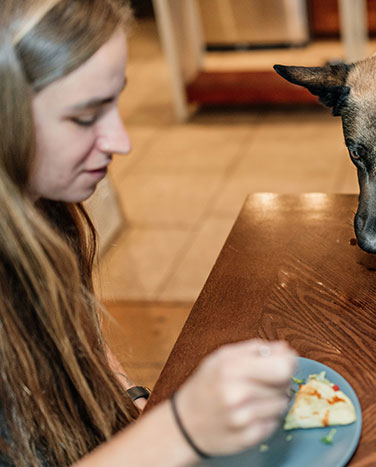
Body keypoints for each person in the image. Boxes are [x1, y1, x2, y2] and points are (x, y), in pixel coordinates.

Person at [0, 1, 297, 465]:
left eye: (114, 101)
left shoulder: (45, 212)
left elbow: (84, 343)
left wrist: (138, 404)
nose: (121, 141)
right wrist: (179, 428)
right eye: (84, 117)